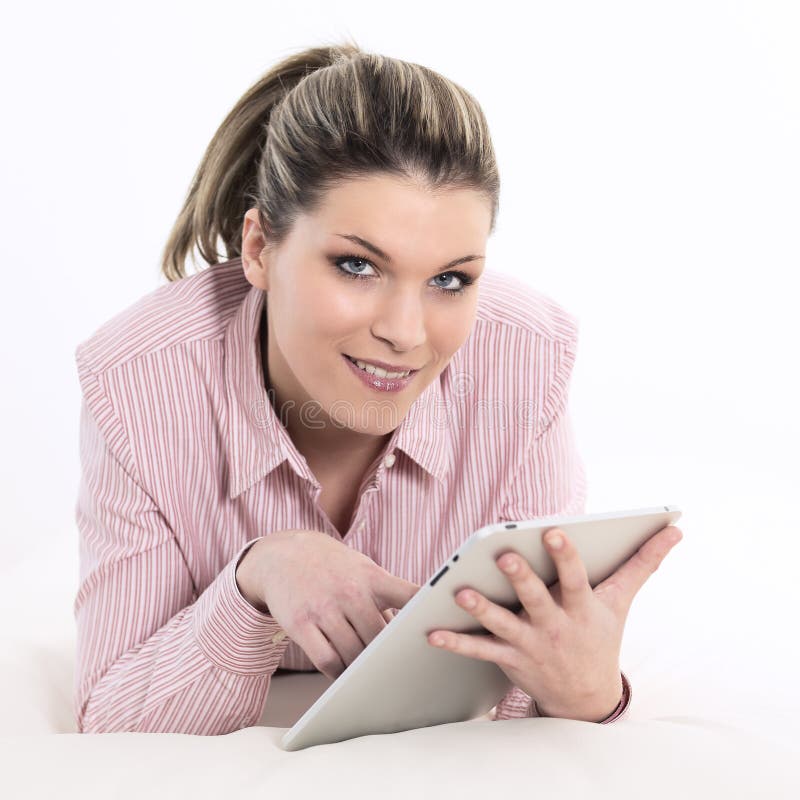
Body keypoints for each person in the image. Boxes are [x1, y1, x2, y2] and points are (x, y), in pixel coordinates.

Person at [73, 40, 680, 735]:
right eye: (357, 266)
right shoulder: (138, 383)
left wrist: (588, 694)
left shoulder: (525, 360)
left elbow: (524, 693)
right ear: (259, 249)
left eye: (450, 279)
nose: (406, 332)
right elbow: (112, 718)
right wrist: (259, 576)